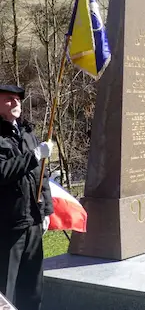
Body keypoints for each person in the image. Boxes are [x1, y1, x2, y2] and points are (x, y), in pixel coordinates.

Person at [0, 85, 54, 310]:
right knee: (7, 286)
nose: (15, 103)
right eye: (9, 99)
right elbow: (3, 172)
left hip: (33, 219)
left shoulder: (27, 133)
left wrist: (47, 211)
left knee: (32, 286)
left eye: (18, 100)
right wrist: (33, 156)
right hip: (9, 224)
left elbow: (41, 175)